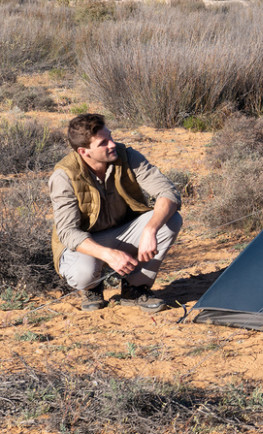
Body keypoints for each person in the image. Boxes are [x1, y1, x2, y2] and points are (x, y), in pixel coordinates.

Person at [49, 113, 183, 311]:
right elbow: (68, 233)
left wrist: (150, 230)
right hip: (87, 243)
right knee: (83, 274)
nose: (112, 144)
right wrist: (108, 255)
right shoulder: (64, 176)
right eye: (103, 143)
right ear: (84, 151)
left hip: (122, 231)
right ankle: (92, 289)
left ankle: (136, 287)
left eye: (110, 137)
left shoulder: (126, 156)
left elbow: (169, 193)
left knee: (170, 220)